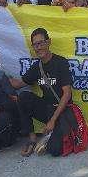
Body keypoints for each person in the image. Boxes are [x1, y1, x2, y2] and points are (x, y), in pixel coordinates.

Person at [10, 28, 75, 157]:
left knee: (55, 150)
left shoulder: (61, 62)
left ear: (48, 42)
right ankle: (32, 139)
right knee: (23, 97)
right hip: (47, 109)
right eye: (35, 45)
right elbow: (18, 84)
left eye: (41, 43)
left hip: (62, 110)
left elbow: (67, 94)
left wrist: (52, 120)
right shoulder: (36, 67)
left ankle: (50, 137)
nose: (38, 47)